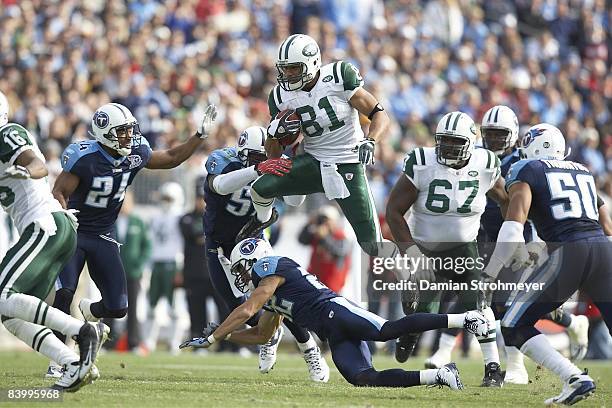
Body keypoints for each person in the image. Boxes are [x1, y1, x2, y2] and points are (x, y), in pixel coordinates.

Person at [180, 238, 491, 389]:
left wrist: (216, 334)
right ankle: (439, 375)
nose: (242, 275)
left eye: (241, 267)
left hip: (336, 311)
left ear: (256, 259)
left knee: (388, 331)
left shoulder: (270, 268)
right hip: (332, 332)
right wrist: (227, 335)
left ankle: (466, 318)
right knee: (362, 378)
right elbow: (261, 333)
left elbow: (249, 308)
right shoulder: (270, 295)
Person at [47, 102, 217, 376]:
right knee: (64, 293)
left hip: (104, 234)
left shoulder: (135, 153)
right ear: (105, 133)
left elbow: (172, 157)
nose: (130, 136)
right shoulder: (83, 158)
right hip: (76, 232)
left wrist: (198, 137)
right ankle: (58, 360)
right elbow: (59, 191)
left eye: (129, 130)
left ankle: (90, 311)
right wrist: (64, 217)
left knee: (118, 307)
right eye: (122, 131)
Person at [425, 106, 590, 384]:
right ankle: (446, 351)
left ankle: (516, 364)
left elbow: (531, 205)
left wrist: (535, 242)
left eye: (500, 134)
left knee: (506, 304)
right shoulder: (474, 154)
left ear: (514, 135)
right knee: (474, 294)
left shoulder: (524, 161)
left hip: (518, 237)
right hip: (482, 235)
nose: (493, 140)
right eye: (488, 134)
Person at [483, 123, 612, 405]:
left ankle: (574, 378)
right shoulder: (584, 171)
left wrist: (491, 271)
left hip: (569, 250)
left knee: (514, 324)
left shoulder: (526, 170)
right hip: (604, 249)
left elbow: (514, 225)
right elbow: (607, 226)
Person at [237, 34, 393, 258]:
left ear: (312, 63)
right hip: (312, 161)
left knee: (373, 246)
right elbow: (274, 158)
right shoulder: (280, 96)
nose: (288, 74)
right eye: (284, 68)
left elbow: (379, 114)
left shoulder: (339, 76)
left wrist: (371, 140)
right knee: (260, 188)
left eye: (293, 68)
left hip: (347, 163)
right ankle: (262, 223)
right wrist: (274, 133)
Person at [385, 111, 507, 387]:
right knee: (425, 314)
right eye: (444, 141)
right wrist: (411, 252)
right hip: (425, 246)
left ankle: (492, 368)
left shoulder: (486, 163)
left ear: (471, 143)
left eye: (456, 142)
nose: (448, 148)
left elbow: (506, 200)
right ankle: (412, 329)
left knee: (477, 304)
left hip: (465, 248)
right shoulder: (422, 161)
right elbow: (393, 211)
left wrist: (513, 233)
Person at [203, 125, 328, 381]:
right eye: (257, 157)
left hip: (252, 239)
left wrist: (295, 172)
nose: (264, 161)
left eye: (266, 157)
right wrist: (258, 168)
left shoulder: (277, 162)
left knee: (280, 297)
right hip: (219, 243)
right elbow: (220, 186)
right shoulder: (223, 161)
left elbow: (294, 202)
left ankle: (309, 349)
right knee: (238, 307)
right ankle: (269, 335)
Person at [0, 91, 106, 391]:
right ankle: (72, 362)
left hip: (45, 225)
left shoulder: (6, 133)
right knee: (10, 314)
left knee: (2, 293)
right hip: (49, 228)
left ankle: (83, 331)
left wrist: (24, 169)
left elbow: (38, 164)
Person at [145, 182, 185, 352]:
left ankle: (174, 341)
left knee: (175, 307)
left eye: (169, 198)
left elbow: (183, 244)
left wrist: (181, 267)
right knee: (151, 306)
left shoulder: (181, 217)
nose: (166, 201)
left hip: (173, 262)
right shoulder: (155, 217)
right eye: (164, 198)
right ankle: (148, 341)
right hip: (156, 263)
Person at [180, 179, 218, 341]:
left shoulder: (216, 215)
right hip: (195, 273)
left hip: (216, 272)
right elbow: (196, 235)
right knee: (196, 312)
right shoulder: (187, 218)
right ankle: (198, 340)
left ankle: (230, 344)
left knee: (225, 309)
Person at [115, 190, 151, 353]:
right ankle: (108, 342)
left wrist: (139, 264)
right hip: (114, 272)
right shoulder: (111, 221)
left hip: (133, 273)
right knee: (110, 305)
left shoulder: (138, 221)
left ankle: (133, 342)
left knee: (133, 308)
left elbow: (147, 246)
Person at [298, 205, 351, 293]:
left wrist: (324, 238)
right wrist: (309, 224)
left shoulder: (341, 236)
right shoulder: (316, 234)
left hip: (332, 287)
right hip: (313, 283)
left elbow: (339, 252)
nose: (324, 223)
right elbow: (301, 240)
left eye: (326, 220)